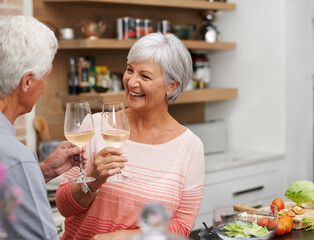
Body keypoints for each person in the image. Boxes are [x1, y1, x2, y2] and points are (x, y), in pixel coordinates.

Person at [56, 32, 205, 240]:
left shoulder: (190, 146)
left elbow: (181, 226)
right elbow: (64, 207)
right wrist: (94, 180)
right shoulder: (95, 126)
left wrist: (124, 237)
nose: (132, 82)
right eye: (129, 70)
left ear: (172, 86)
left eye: (144, 76)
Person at [0, 15, 87, 239]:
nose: (45, 86)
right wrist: (25, 169)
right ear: (27, 81)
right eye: (45, 77)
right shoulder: (15, 157)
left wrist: (41, 172)